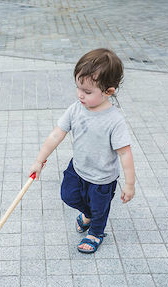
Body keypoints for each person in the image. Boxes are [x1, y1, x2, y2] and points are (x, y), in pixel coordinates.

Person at [29, 48, 136, 253]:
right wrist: (39, 160)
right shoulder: (75, 109)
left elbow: (125, 153)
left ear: (109, 92)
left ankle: (96, 232)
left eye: (87, 92)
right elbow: (56, 135)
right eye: (78, 88)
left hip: (102, 178)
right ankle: (87, 214)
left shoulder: (114, 121)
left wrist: (129, 185)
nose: (80, 95)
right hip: (78, 169)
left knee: (100, 208)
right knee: (68, 195)